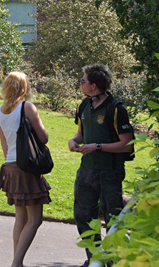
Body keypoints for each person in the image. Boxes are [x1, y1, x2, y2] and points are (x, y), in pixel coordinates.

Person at [69, 64, 133, 266]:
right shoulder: (84, 105)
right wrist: (74, 140)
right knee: (83, 216)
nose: (80, 83)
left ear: (94, 85)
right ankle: (94, 259)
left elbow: (127, 145)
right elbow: (81, 133)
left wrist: (97, 146)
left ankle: (113, 261)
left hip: (110, 172)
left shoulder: (116, 109)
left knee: (112, 219)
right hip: (86, 170)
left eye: (83, 80)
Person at [0, 71, 50, 267]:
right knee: (35, 219)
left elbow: (5, 146)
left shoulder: (0, 111)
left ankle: (16, 261)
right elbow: (44, 138)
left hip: (10, 166)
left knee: (20, 218)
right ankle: (16, 263)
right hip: (26, 167)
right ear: (24, 87)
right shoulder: (27, 107)